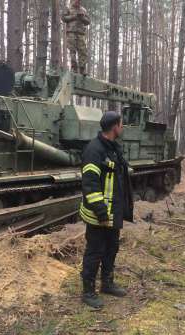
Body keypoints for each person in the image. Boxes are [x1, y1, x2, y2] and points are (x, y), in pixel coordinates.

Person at [79, 112, 134, 309]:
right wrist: (101, 211)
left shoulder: (113, 148)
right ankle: (87, 291)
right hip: (99, 215)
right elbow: (90, 184)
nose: (123, 127)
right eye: (122, 124)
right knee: (94, 251)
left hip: (113, 213)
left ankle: (107, 283)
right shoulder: (94, 150)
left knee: (111, 249)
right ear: (114, 127)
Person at [62, 0, 90, 75]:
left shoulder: (83, 10)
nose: (77, 2)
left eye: (79, 1)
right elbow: (64, 18)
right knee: (72, 51)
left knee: (83, 51)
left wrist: (82, 18)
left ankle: (82, 69)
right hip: (71, 32)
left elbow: (88, 21)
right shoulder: (68, 8)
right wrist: (74, 16)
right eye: (76, 1)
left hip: (81, 33)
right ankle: (74, 69)